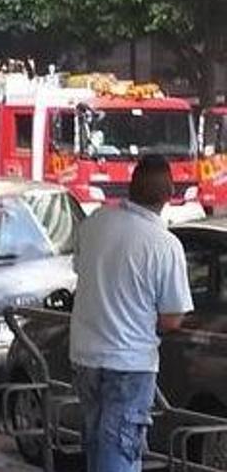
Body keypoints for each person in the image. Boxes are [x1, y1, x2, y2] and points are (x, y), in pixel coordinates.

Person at [70, 154, 193, 472]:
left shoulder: (95, 223)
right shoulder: (165, 244)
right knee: (119, 451)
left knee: (97, 444)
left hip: (84, 354)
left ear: (131, 187)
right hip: (129, 361)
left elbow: (81, 272)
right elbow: (172, 317)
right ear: (170, 193)